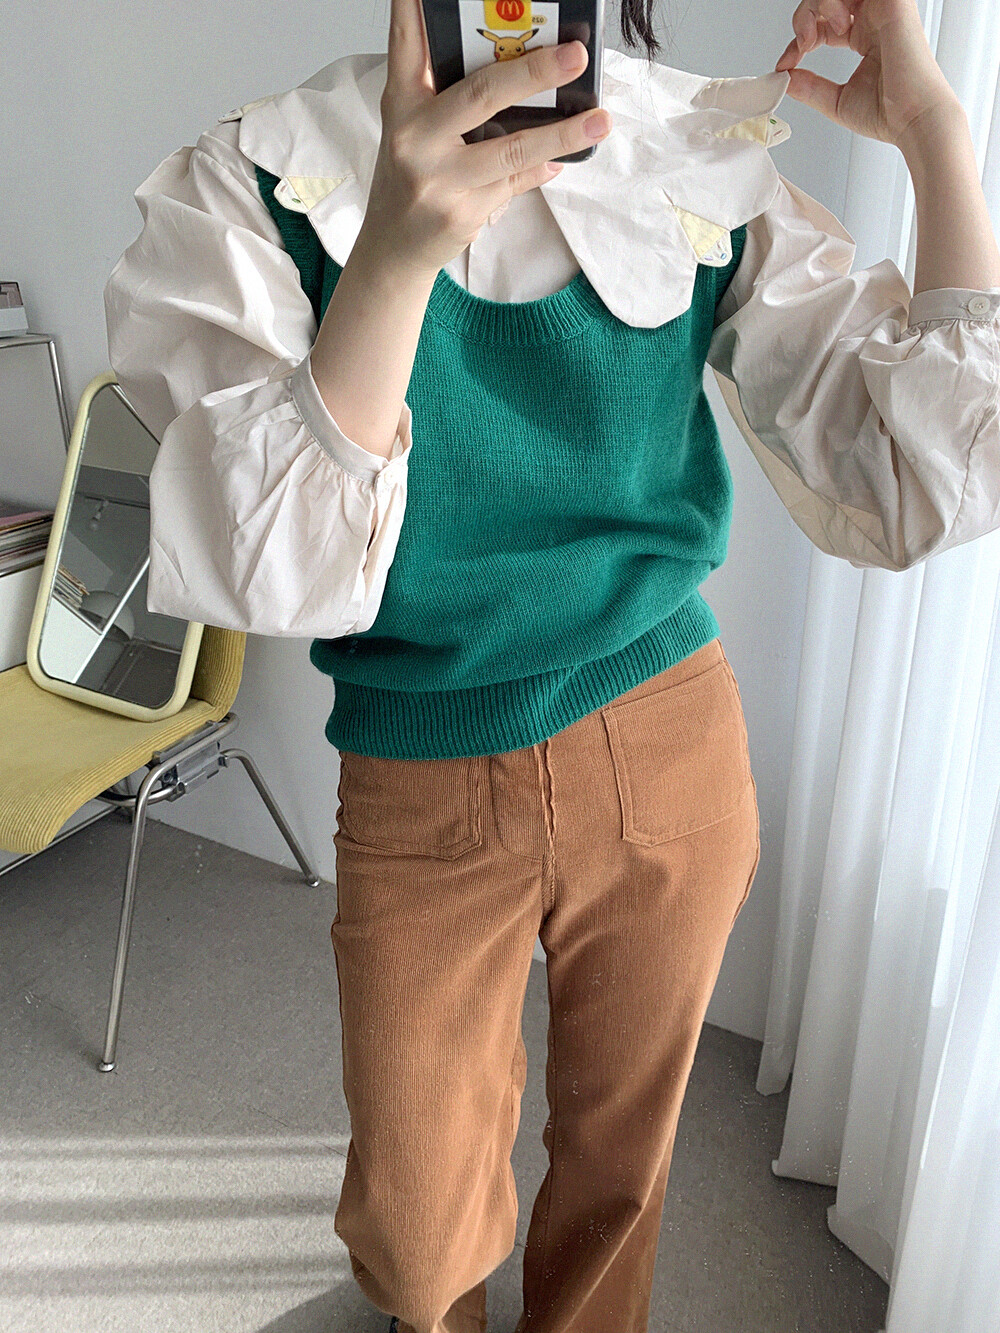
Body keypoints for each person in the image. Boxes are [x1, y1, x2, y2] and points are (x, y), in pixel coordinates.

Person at [103, 1, 1000, 1330]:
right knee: (416, 1222)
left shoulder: (694, 148)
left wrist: (934, 132)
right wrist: (394, 253)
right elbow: (267, 573)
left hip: (667, 741)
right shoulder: (258, 177)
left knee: (619, 1166)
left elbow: (928, 468)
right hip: (422, 767)